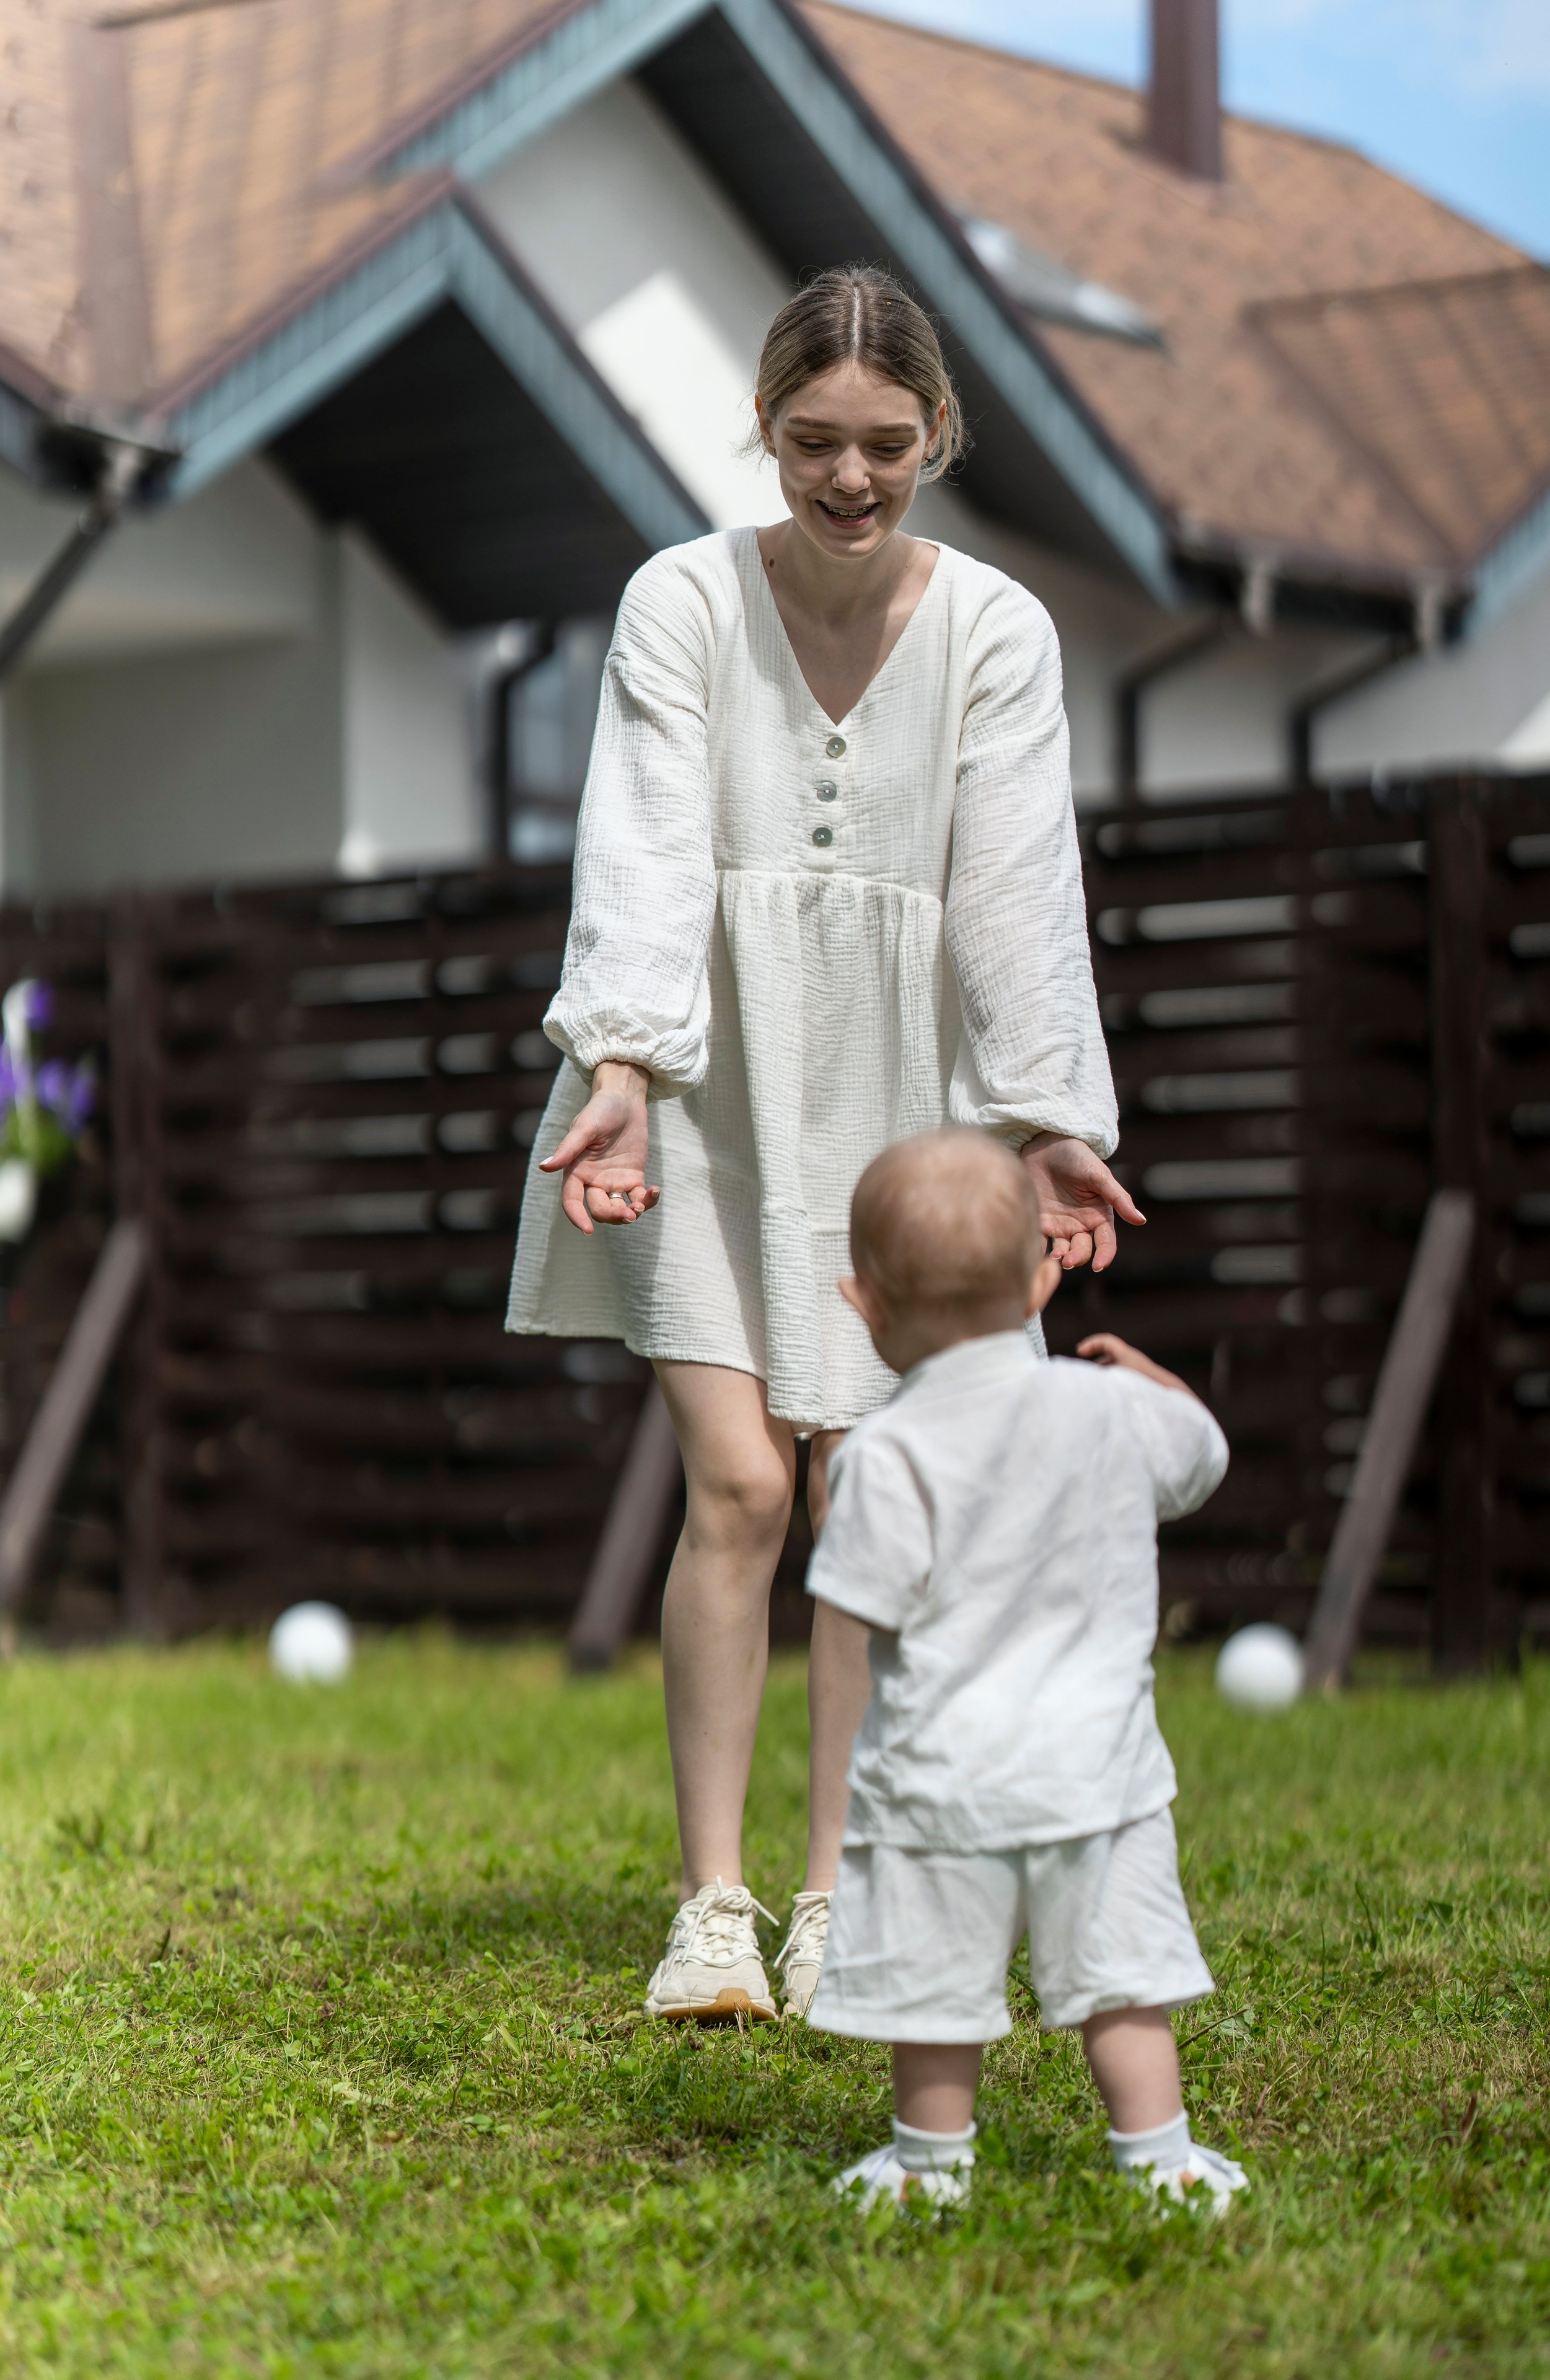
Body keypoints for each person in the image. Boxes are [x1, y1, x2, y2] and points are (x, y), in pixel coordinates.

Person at [505, 267, 1140, 2023]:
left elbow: (1019, 892)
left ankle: (836, 1896)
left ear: (936, 431)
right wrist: (622, 1062)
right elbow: (636, 840)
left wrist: (1047, 1129)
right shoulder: (680, 603)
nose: (849, 478)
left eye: (884, 444)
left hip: (906, 1095)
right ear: (764, 429)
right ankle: (712, 1912)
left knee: (867, 1502)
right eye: (811, 442)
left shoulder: (1001, 629)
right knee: (745, 1484)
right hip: (692, 1083)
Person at [807, 1130, 1248, 2216]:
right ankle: (1161, 2161)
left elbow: (861, 1601)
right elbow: (1202, 1458)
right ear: (1044, 1276)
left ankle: (931, 2165)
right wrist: (1157, 1384)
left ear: (862, 1305)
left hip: (945, 1781)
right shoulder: (1111, 1410)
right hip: (1101, 1775)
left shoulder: (885, 1454)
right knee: (1124, 1982)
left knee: (937, 1990)